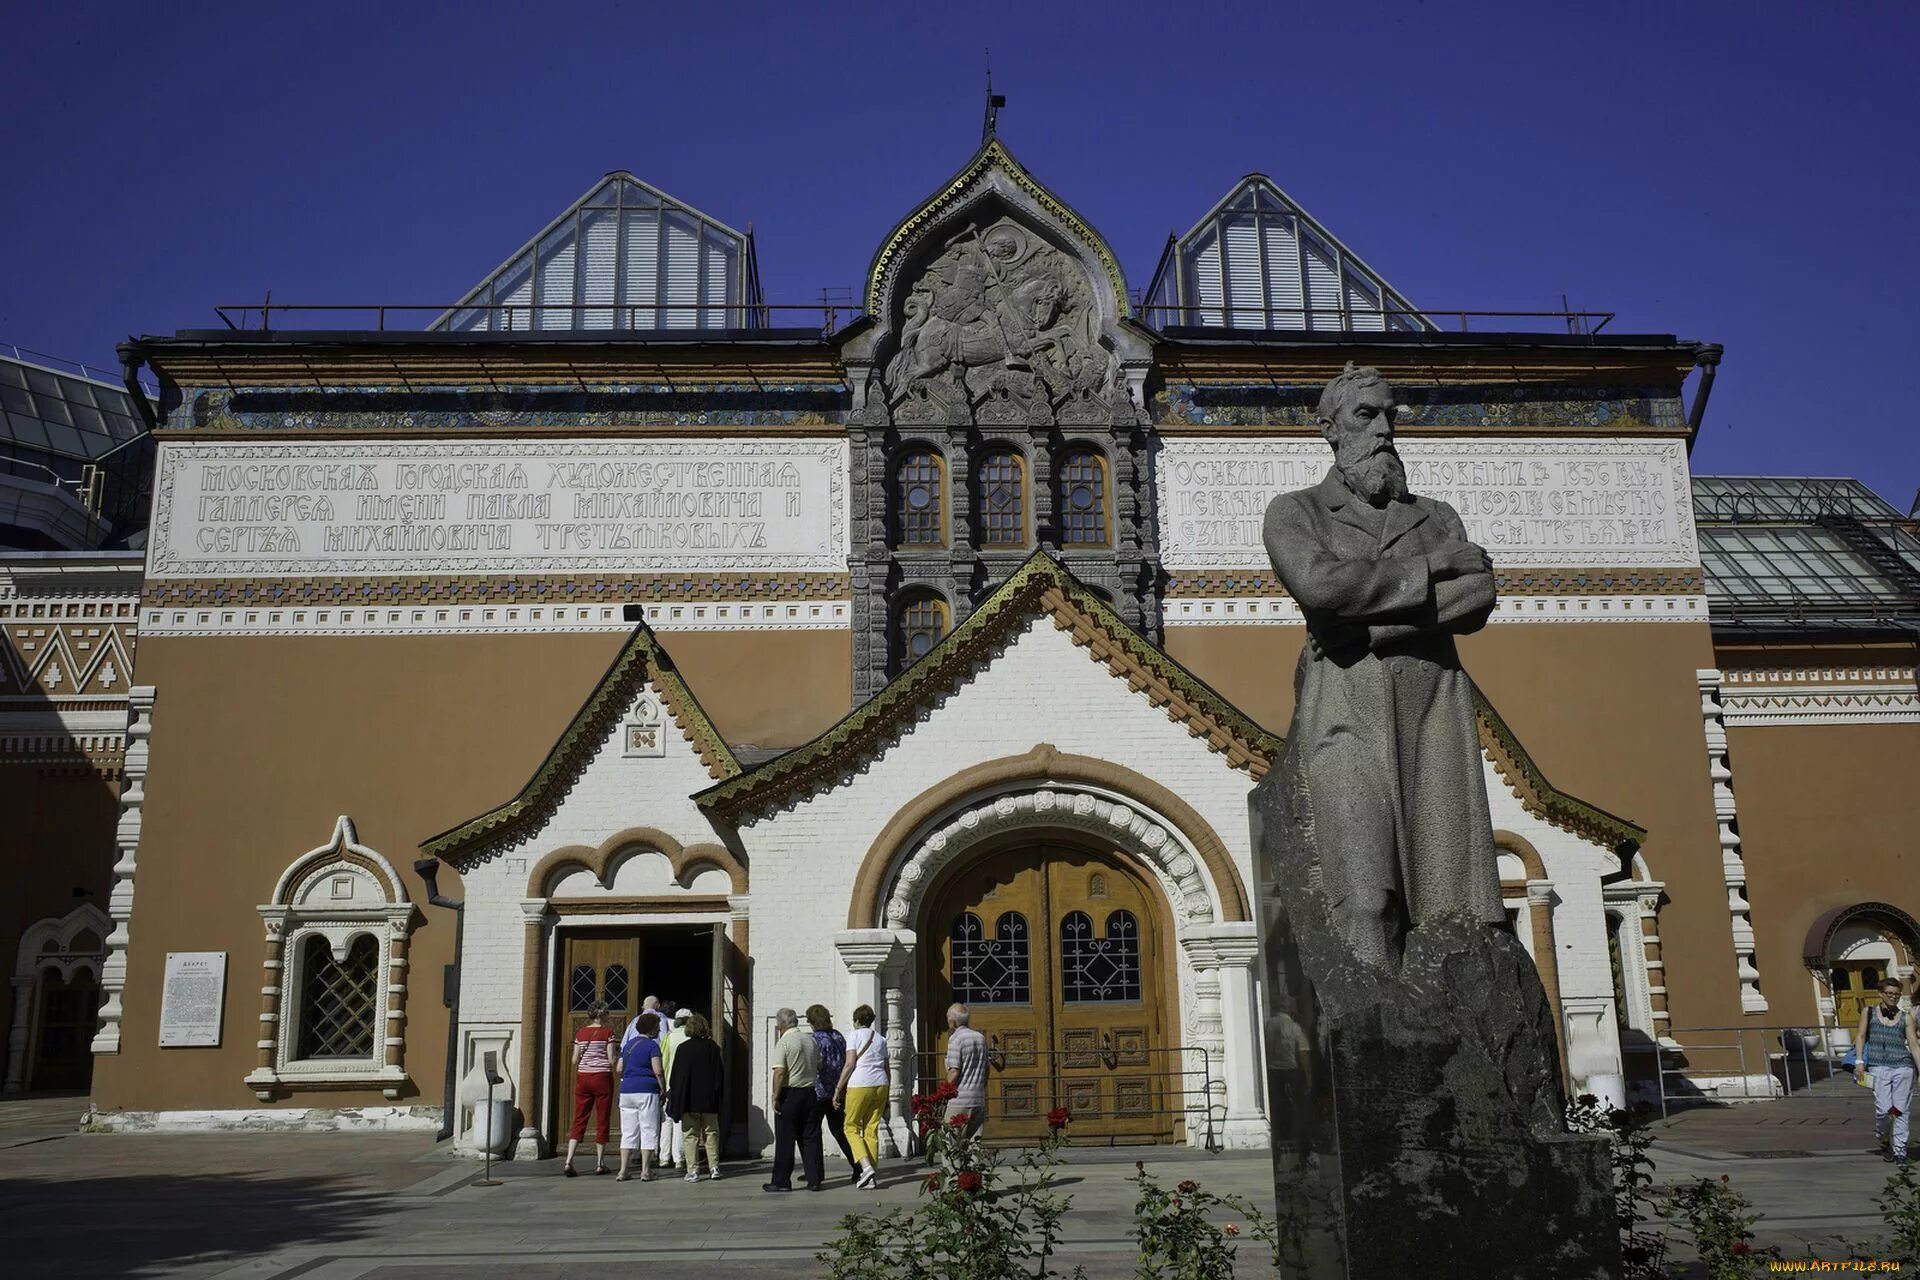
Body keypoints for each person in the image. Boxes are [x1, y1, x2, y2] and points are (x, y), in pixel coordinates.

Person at [1260, 364, 1502, 969]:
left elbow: (1477, 598)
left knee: (1453, 902)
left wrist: (1368, 628)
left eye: (1391, 414)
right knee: (1363, 892)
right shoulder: (1296, 512)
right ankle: (1377, 1041)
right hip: (1345, 713)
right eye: (1366, 415)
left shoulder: (1436, 517)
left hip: (1432, 719)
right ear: (1329, 428)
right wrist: (1435, 570)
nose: (1385, 429)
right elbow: (1320, 589)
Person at [1854, 976, 1920, 1164]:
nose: (1893, 997)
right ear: (1881, 994)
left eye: (1897, 994)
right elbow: (1860, 1035)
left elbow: (1914, 1045)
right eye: (1889, 994)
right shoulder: (1869, 1012)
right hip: (1878, 1066)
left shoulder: (1905, 1017)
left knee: (1900, 1109)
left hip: (1903, 1066)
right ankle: (1884, 1139)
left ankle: (1900, 1150)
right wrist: (1859, 1062)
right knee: (1884, 1109)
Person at [764, 1006, 824, 1192]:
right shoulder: (810, 1040)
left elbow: (779, 1072)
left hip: (790, 1094)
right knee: (810, 1137)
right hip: (810, 1092)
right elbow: (819, 1065)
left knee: (785, 1139)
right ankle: (814, 1178)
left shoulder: (785, 1042)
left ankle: (781, 1180)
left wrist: (775, 1096)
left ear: (781, 1024)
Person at [832, 1003, 890, 1189]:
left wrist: (838, 1089)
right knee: (871, 1128)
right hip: (881, 1083)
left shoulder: (854, 1035)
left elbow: (849, 1064)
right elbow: (887, 1067)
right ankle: (870, 1175)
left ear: (856, 1020)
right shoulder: (881, 1039)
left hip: (860, 1084)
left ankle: (865, 1168)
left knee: (851, 1127)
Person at [667, 1012, 726, 1182]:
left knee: (690, 1136)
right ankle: (714, 1167)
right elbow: (719, 1076)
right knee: (711, 1133)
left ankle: (693, 1170)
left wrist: (676, 1098)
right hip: (709, 1100)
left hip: (689, 1100)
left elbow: (677, 1077)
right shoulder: (713, 1048)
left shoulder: (683, 1049)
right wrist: (719, 1096)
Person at [807, 1004, 858, 1184]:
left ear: (812, 1022)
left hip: (819, 1091)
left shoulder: (814, 1040)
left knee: (813, 1132)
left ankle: (816, 1173)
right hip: (838, 1090)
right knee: (840, 1131)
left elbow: (815, 1064)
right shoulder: (838, 1036)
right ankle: (858, 1165)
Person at [563, 1001, 614, 1177]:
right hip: (602, 1077)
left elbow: (574, 1060)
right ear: (603, 1015)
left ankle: (569, 1160)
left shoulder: (580, 1033)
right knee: (602, 1118)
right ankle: (600, 1163)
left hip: (583, 1077)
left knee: (579, 1118)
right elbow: (611, 1059)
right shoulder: (608, 1032)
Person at [616, 1011, 666, 1181]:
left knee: (629, 1131)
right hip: (646, 1090)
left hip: (627, 1090)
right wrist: (663, 1089)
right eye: (657, 1027)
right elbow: (658, 1071)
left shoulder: (628, 1045)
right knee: (648, 1129)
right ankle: (645, 1171)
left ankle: (623, 1170)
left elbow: (619, 1068)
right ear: (652, 1029)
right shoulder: (652, 1046)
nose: (659, 1030)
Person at [944, 1003, 989, 1141]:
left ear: (952, 1022)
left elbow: (954, 1071)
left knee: (951, 1143)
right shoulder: (980, 1037)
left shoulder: (956, 1039)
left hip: (959, 1100)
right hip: (978, 1097)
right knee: (974, 1143)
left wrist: (943, 1093)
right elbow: (987, 1068)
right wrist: (981, 1086)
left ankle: (954, 1164)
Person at [658, 1007, 690, 1170]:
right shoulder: (691, 1037)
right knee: (680, 1121)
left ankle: (664, 1157)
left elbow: (663, 1061)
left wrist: (662, 1084)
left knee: (666, 1120)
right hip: (684, 1084)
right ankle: (679, 1158)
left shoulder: (669, 1037)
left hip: (669, 1083)